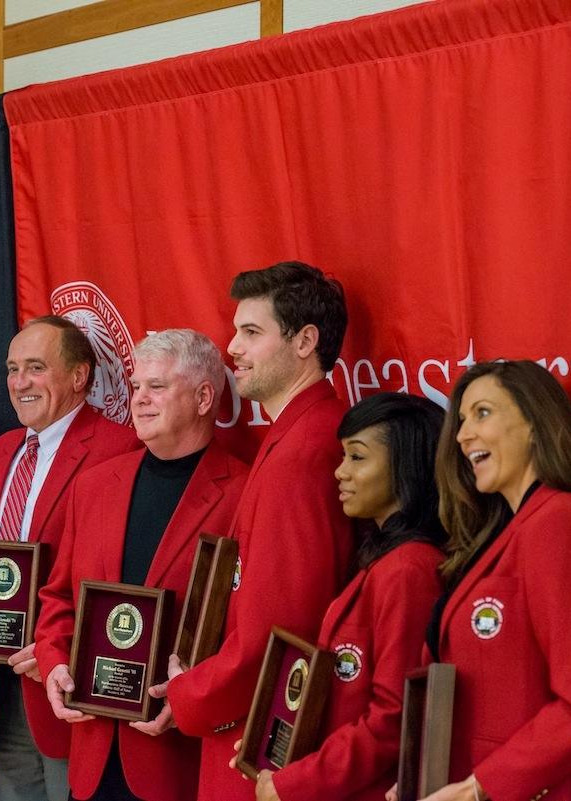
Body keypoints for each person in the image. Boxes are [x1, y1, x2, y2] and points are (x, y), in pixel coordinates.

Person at [402, 360, 571, 801]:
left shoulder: (563, 522)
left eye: (483, 413)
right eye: (462, 420)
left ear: (535, 423)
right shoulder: (507, 534)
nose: (462, 434)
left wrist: (479, 788)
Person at [163, 261, 355, 800]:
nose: (233, 349)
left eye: (252, 332)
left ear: (305, 341)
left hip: (257, 741)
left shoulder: (304, 451)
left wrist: (190, 692)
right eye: (236, 331)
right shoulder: (295, 435)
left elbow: (280, 627)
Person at [37, 329, 249, 801]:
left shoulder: (243, 494)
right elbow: (57, 598)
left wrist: (194, 695)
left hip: (175, 758)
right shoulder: (93, 486)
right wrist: (53, 665)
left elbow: (247, 630)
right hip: (91, 752)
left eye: (157, 387)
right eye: (136, 387)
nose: (140, 400)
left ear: (203, 397)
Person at [0, 316, 139, 801]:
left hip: (67, 685)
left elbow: (123, 577)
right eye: (12, 368)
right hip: (0, 682)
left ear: (78, 376)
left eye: (35, 367)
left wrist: (56, 649)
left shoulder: (121, 449)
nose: (20, 382)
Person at [240, 392, 447, 801]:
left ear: (406, 465)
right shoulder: (384, 556)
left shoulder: (409, 570)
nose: (339, 472)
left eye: (357, 457)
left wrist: (296, 782)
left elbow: (392, 721)